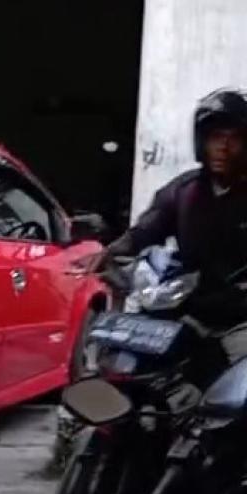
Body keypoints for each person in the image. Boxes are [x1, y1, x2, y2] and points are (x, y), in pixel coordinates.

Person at [100, 88, 247, 362]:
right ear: (202, 141)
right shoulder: (184, 191)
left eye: (234, 139)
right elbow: (145, 231)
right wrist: (108, 253)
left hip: (239, 318)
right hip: (188, 308)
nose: (223, 147)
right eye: (216, 137)